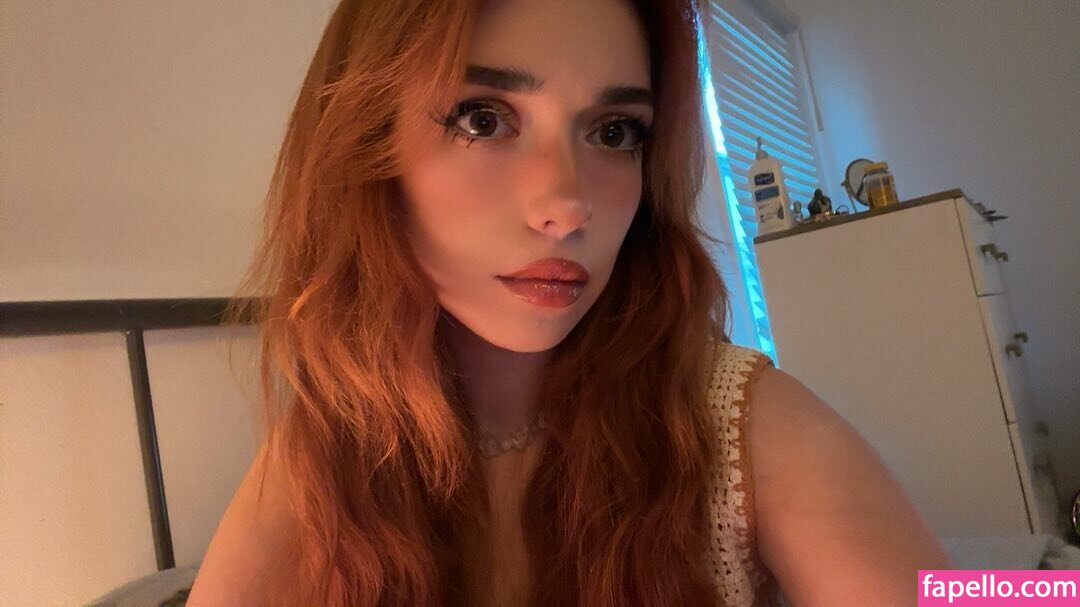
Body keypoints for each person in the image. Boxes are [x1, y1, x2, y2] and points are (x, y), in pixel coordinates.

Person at [186, 0, 953, 605]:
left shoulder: (733, 423)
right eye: (484, 119)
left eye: (614, 131)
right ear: (367, 150)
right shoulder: (327, 456)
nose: (567, 203)